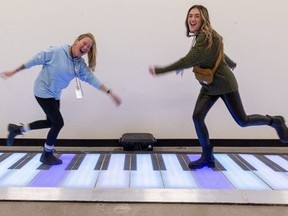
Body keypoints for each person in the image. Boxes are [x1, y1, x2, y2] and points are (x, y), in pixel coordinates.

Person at [149, 5, 288, 169]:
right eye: (190, 16)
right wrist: (230, 62)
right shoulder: (206, 35)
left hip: (224, 84)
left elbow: (187, 61)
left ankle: (275, 121)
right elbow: (217, 52)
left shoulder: (204, 39)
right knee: (197, 117)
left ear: (204, 19)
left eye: (196, 16)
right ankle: (207, 156)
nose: (192, 19)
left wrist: (160, 70)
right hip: (209, 86)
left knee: (243, 121)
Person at [1, 33, 122, 165]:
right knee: (58, 123)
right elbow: (35, 60)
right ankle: (46, 154)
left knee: (51, 122)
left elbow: (92, 79)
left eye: (89, 47)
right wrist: (13, 71)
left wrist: (110, 92)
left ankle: (17, 130)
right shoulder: (57, 51)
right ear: (77, 41)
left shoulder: (79, 64)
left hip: (55, 94)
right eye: (84, 43)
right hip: (42, 90)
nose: (86, 47)